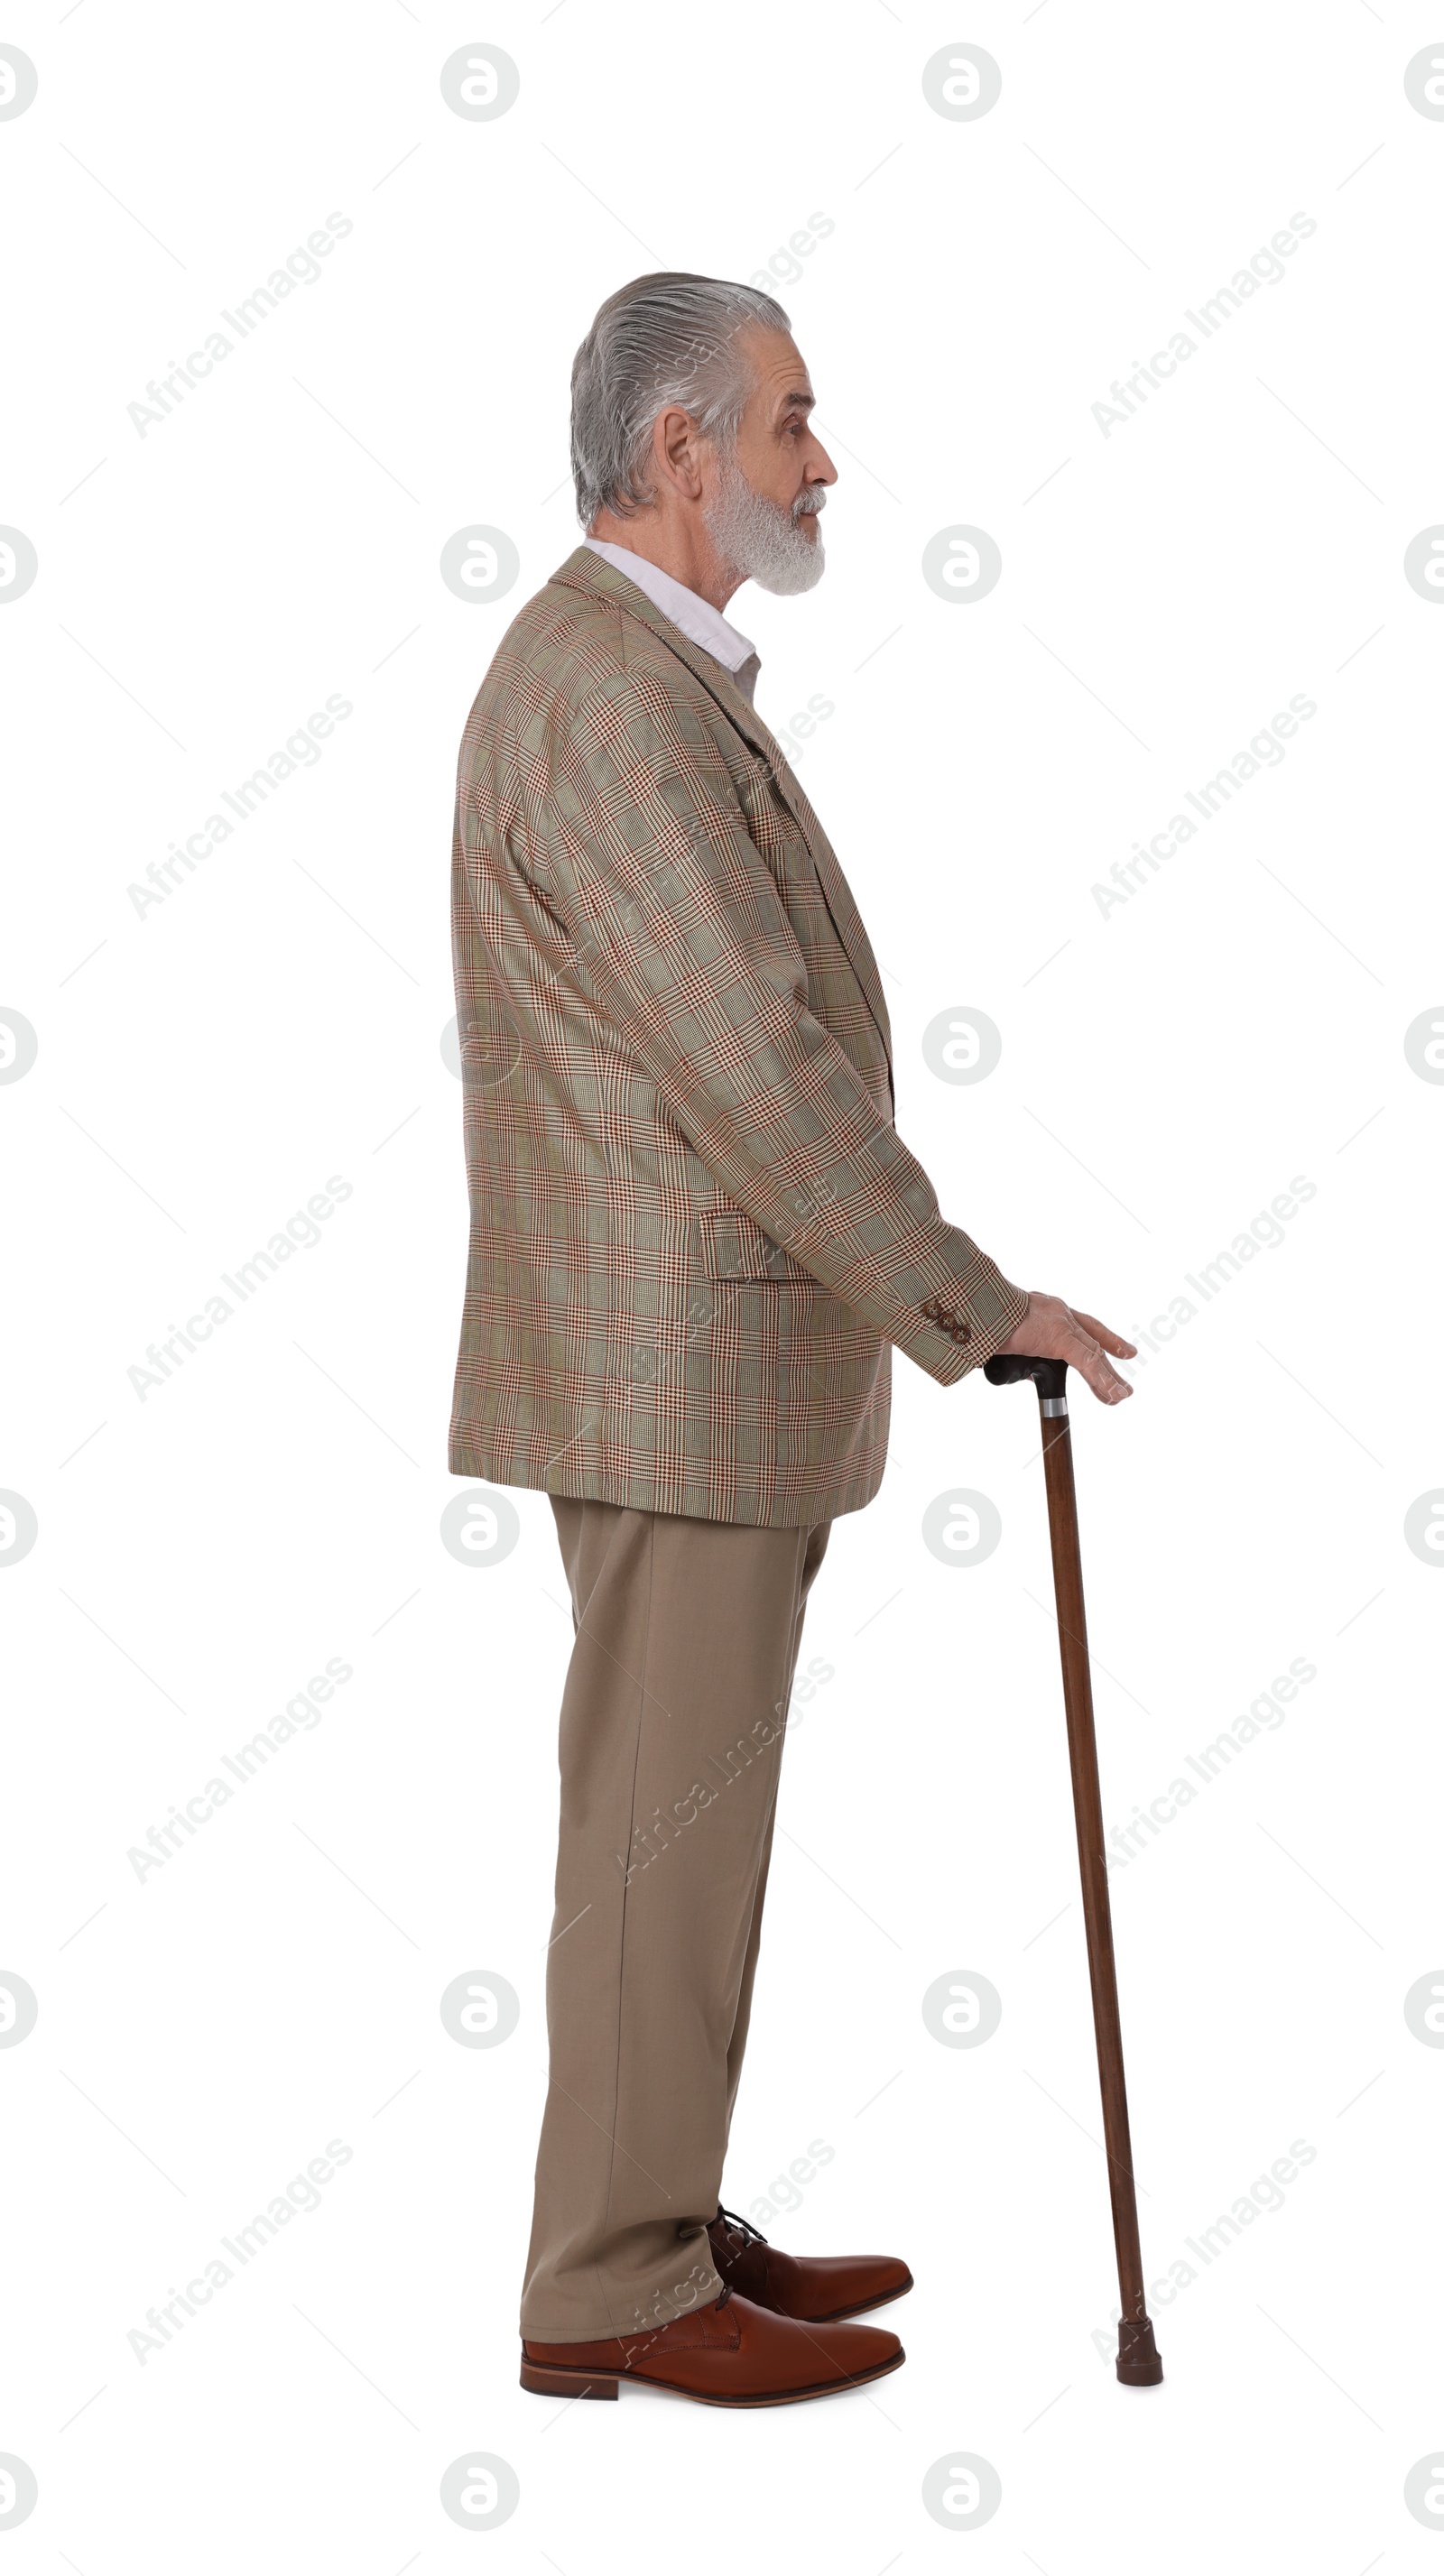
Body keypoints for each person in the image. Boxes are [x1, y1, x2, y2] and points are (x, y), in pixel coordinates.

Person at [448, 272, 1135, 2408]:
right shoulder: (613, 697)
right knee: (662, 1829)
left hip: (700, 1372)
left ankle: (654, 2210)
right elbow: (753, 1065)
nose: (817, 462)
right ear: (679, 457)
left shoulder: (641, 674)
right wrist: (964, 1296)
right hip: (675, 1375)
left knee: (680, 1825)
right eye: (789, 423)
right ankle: (612, 2280)